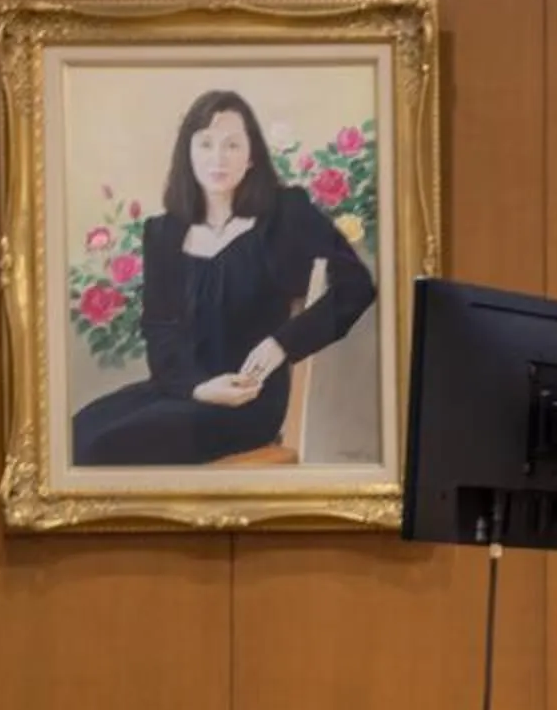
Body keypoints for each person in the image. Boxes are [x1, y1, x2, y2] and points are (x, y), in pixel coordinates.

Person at [71, 89, 377, 468]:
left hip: (248, 401)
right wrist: (199, 388)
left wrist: (282, 344)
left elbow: (356, 286)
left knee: (104, 449)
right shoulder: (163, 233)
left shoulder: (286, 215)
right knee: (75, 435)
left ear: (252, 156)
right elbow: (161, 335)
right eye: (206, 144)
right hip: (184, 390)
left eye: (232, 145)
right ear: (188, 154)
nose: (218, 157)